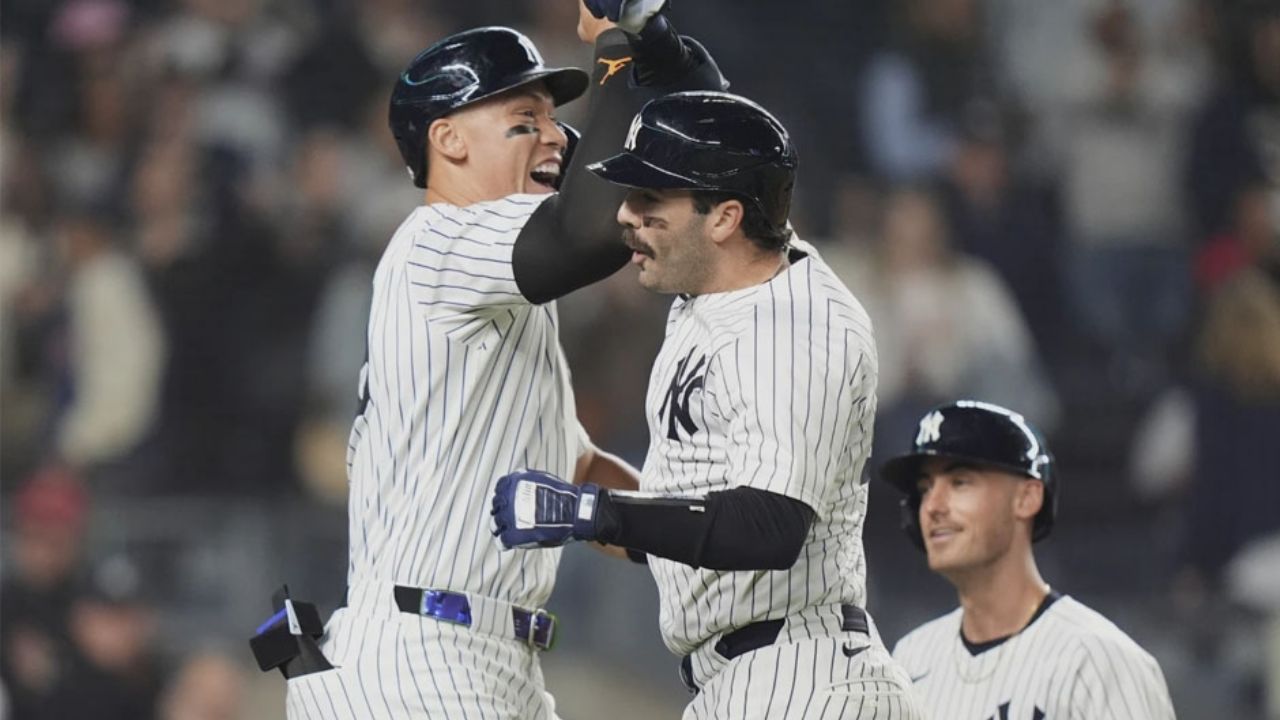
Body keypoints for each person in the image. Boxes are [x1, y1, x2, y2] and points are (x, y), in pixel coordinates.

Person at [260, 2, 728, 719]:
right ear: (446, 140)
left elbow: (581, 479)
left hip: (480, 663)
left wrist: (658, 46)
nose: (554, 134)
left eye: (552, 118)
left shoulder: (507, 306)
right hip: (418, 660)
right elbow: (591, 230)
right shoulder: (435, 242)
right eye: (525, 120)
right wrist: (611, 47)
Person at [492, 91, 924, 719]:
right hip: (745, 681)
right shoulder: (711, 296)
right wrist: (583, 481)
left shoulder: (794, 325)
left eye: (650, 199)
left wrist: (594, 511)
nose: (626, 214)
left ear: (724, 218)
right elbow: (693, 528)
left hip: (803, 678)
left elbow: (768, 526)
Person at [878, 400, 1176, 718]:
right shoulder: (911, 658)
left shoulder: (1099, 661)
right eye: (925, 488)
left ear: (1027, 498)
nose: (932, 506)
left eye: (959, 482)